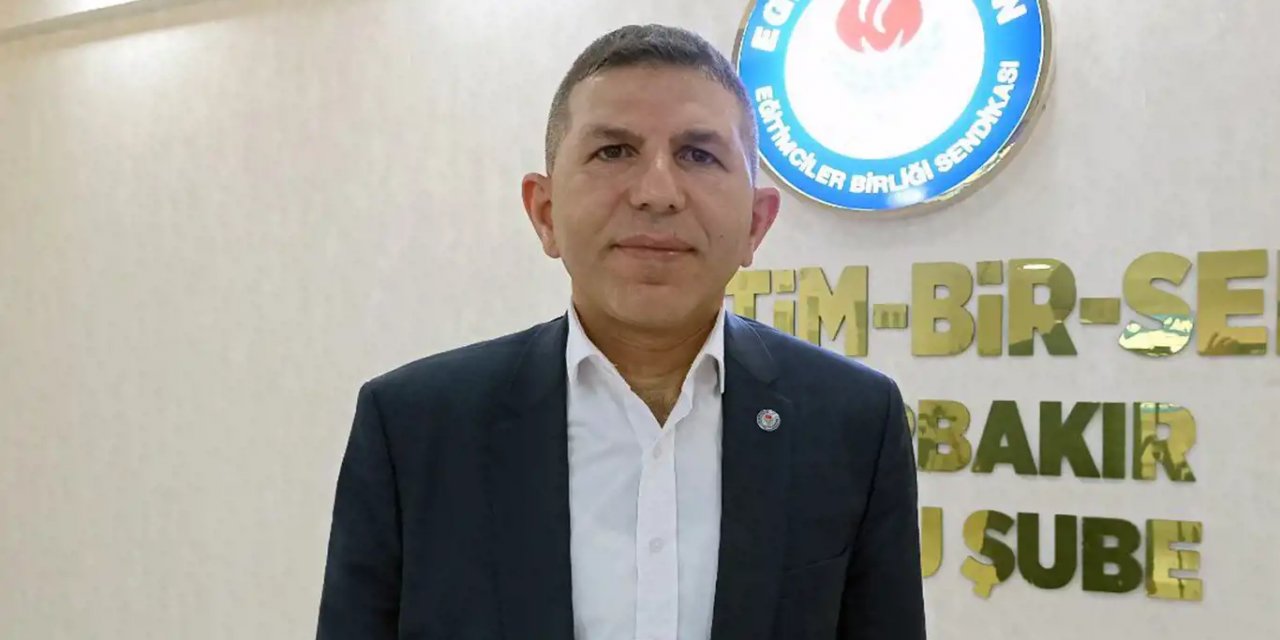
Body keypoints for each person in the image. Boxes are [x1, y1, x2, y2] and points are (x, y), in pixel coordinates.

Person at [317, 23, 925, 640]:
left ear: (755, 224)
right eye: (613, 151)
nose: (657, 193)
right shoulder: (415, 427)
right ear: (545, 213)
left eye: (698, 154)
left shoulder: (852, 421)